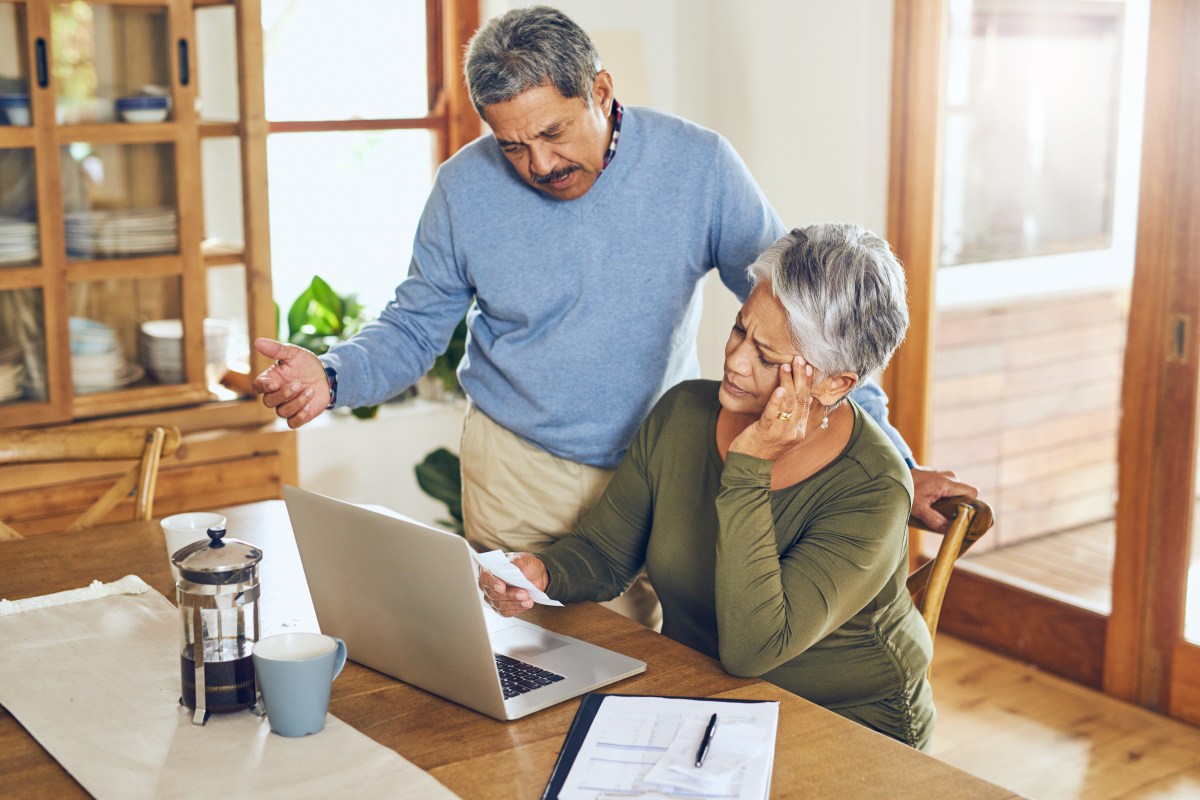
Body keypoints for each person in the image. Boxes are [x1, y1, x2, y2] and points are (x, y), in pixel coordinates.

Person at [252, 7, 974, 632]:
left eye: (554, 132)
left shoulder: (698, 167)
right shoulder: (463, 189)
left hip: (669, 464)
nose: (537, 163)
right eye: (511, 144)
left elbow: (813, 318)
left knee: (684, 662)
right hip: (521, 473)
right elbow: (415, 327)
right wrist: (334, 373)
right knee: (553, 678)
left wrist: (897, 464)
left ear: (600, 90)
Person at [480, 223, 935, 750]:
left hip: (846, 724)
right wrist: (544, 572)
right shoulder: (684, 413)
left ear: (834, 382)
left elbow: (753, 649)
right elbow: (605, 553)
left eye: (767, 358)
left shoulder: (872, 489)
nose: (736, 361)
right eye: (741, 330)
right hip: (701, 698)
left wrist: (749, 467)